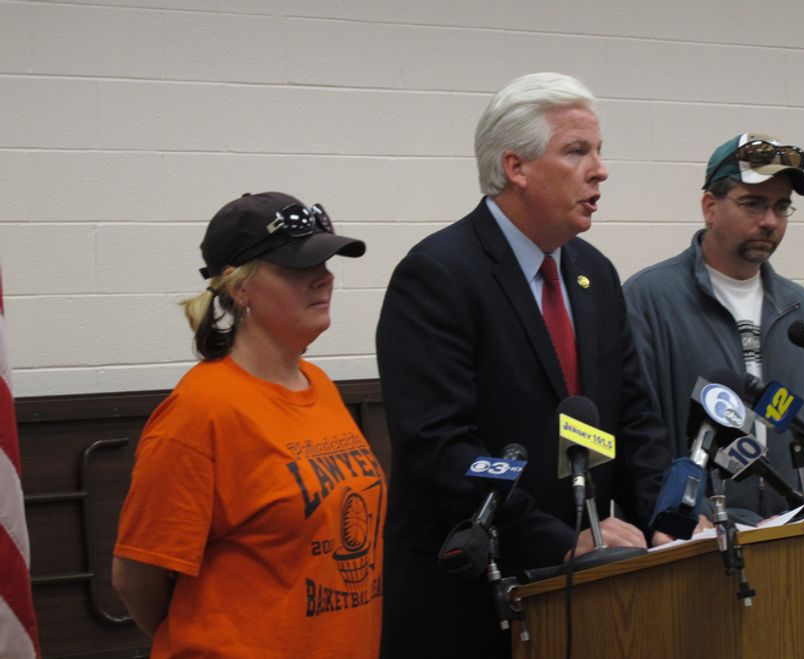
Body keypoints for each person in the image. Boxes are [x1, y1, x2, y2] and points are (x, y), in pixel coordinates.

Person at [375, 72, 673, 659]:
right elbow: (442, 448)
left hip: (584, 594)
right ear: (516, 166)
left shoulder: (595, 274)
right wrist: (560, 541)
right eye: (576, 151)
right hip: (470, 600)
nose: (600, 169)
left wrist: (667, 523)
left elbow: (634, 418)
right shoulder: (438, 275)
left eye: (599, 151)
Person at [112, 192, 385, 658]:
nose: (324, 277)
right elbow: (137, 577)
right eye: (298, 268)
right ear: (239, 288)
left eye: (327, 262)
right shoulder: (202, 409)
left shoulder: (317, 384)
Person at [624, 133, 804, 524]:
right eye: (753, 204)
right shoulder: (648, 301)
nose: (769, 221)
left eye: (781, 207)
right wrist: (691, 515)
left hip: (793, 542)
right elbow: (636, 432)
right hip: (692, 542)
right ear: (710, 207)